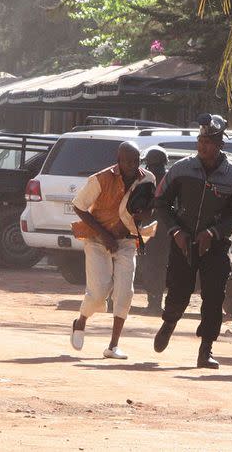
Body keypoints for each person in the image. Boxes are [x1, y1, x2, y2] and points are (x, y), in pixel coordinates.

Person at [152, 114, 232, 369]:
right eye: (200, 139)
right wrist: (175, 231)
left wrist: (215, 233)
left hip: (215, 247)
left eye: (208, 141)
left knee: (214, 296)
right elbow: (161, 201)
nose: (202, 145)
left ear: (220, 144)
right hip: (182, 241)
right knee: (179, 292)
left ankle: (206, 348)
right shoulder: (181, 169)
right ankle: (169, 322)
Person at [69, 141, 156, 359]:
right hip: (98, 241)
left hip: (127, 241)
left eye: (136, 161)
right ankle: (80, 322)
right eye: (128, 161)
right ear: (118, 161)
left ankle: (113, 346)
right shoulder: (101, 179)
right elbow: (78, 206)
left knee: (125, 292)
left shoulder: (147, 179)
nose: (132, 166)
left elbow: (149, 207)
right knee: (99, 292)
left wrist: (144, 215)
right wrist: (103, 235)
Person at [140, 146, 170, 314]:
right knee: (161, 265)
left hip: (149, 227)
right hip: (166, 229)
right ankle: (157, 301)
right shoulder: (170, 177)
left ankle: (153, 301)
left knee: (150, 264)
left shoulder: (146, 178)